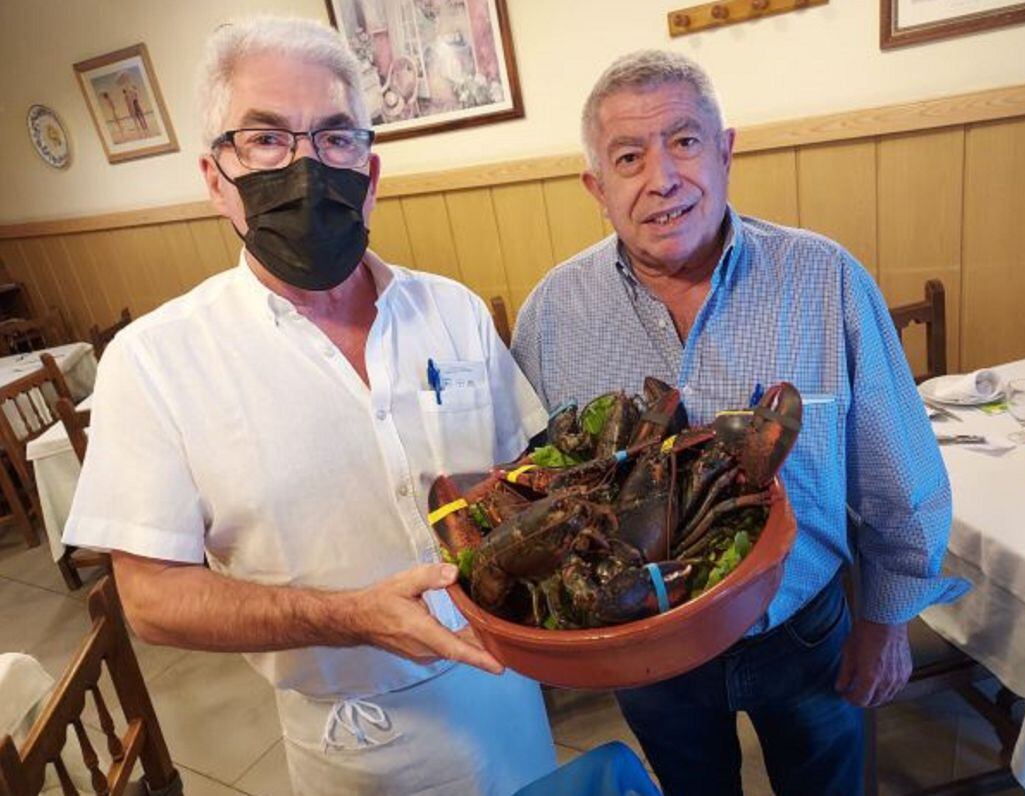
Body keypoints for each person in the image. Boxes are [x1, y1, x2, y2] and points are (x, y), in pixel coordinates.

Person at [63, 17, 555, 796]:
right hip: (358, 740)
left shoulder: (452, 311)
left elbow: (522, 476)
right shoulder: (155, 361)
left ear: (370, 169)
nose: (305, 168)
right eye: (265, 140)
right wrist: (350, 616)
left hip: (509, 689)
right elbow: (150, 600)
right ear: (215, 178)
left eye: (333, 137)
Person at [512, 50, 968, 796]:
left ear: (725, 151)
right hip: (646, 655)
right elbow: (533, 487)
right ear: (597, 187)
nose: (662, 178)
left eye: (685, 141)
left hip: (804, 629)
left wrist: (885, 623)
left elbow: (900, 475)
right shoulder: (550, 315)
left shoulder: (825, 278)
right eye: (628, 157)